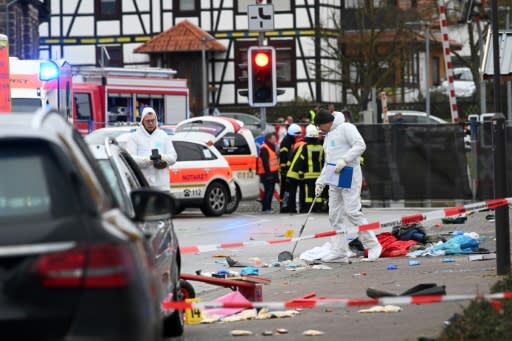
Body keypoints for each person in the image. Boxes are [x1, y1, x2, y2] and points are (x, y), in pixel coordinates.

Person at [314, 109, 382, 262]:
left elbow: (360, 145)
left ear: (327, 122)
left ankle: (373, 245)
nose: (319, 129)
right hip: (333, 175)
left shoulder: (346, 128)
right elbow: (328, 161)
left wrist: (345, 160)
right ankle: (339, 250)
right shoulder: (328, 135)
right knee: (334, 214)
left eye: (320, 126)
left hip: (349, 172)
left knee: (352, 211)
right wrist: (320, 181)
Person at [126, 107, 177, 192]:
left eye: (153, 120)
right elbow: (130, 159)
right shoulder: (134, 137)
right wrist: (148, 160)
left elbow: (173, 157)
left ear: (156, 120)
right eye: (148, 121)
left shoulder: (163, 135)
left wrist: (161, 158)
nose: (151, 123)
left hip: (162, 186)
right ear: (142, 121)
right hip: (143, 186)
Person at [286, 125, 324, 213]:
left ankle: (307, 209)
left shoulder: (305, 147)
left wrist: (299, 172)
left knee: (308, 193)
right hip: (319, 174)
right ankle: (318, 207)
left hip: (308, 174)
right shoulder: (321, 147)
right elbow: (322, 160)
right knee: (317, 191)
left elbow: (300, 160)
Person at [279, 123, 302, 213]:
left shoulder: (289, 140)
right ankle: (284, 206)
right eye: (296, 135)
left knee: (287, 188)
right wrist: (284, 169)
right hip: (285, 170)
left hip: (287, 169)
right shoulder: (286, 142)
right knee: (285, 188)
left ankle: (286, 205)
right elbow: (283, 157)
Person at [257, 132, 279, 213]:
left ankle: (268, 207)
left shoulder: (271, 147)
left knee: (270, 190)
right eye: (274, 138)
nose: (275, 140)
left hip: (272, 173)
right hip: (267, 174)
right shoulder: (264, 148)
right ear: (269, 139)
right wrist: (268, 174)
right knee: (268, 191)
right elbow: (265, 162)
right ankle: (266, 208)